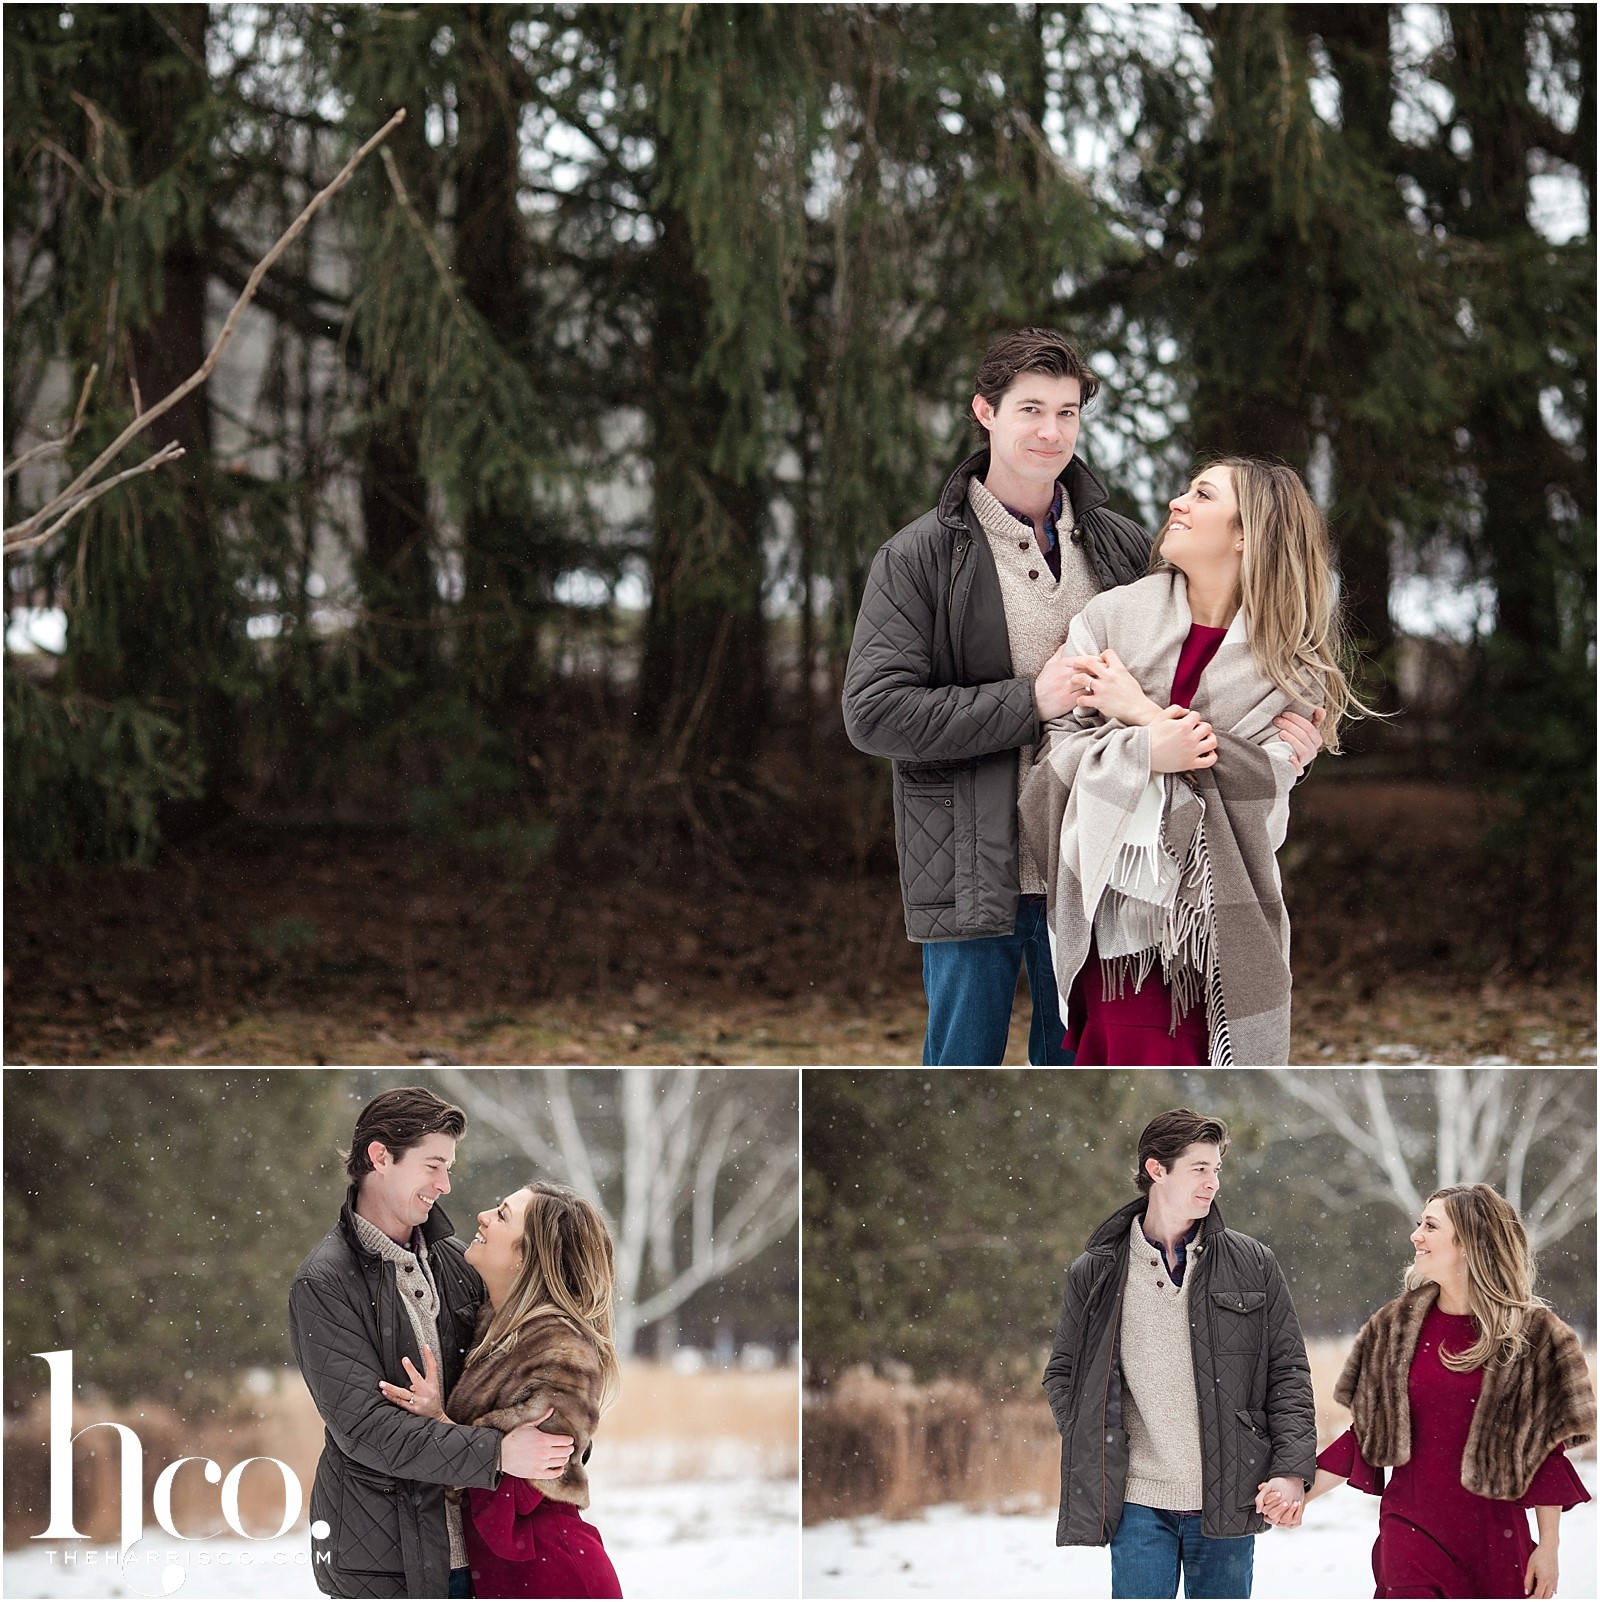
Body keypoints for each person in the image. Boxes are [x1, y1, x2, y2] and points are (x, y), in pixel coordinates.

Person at [843, 330, 1325, 1066]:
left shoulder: (1122, 545)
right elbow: (875, 712)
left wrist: (1287, 752)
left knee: (1076, 1070)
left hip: (1101, 871)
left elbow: (1210, 666)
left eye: (1067, 412)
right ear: (985, 412)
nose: (1050, 431)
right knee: (960, 1072)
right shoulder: (920, 557)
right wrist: (1026, 701)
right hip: (979, 867)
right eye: (1030, 409)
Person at [1019, 456, 1352, 1065]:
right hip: (1124, 925)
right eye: (1185, 490)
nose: (1177, 502)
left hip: (1226, 924)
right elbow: (1053, 757)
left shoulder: (1292, 663)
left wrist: (1139, 714)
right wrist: (1151, 749)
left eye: (1201, 495)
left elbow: (1265, 781)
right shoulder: (1110, 620)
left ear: (1246, 532)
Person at [289, 1087, 576, 1600]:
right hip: (386, 1566)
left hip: (480, 1554)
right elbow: (366, 1430)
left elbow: (505, 1379)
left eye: (449, 1167)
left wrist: (561, 1417)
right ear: (381, 1156)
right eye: (433, 1166)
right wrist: (498, 1453)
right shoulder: (326, 1283)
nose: (445, 1185)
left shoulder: (452, 1260)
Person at [1260, 1183, 1595, 1600]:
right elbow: (1366, 1435)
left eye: (1430, 1226)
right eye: (1420, 1223)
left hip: (1495, 1542)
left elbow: (1545, 1451)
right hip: (1409, 1536)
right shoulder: (1396, 1329)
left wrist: (1549, 1546)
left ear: (1471, 1243)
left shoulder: (1533, 1336)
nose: (1415, 1235)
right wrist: (1300, 1495)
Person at [1042, 1108, 1317, 1599]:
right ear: (1156, 1170)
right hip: (1137, 1501)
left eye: (1217, 1169)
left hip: (1230, 1494)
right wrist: (1093, 1439)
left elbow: (1289, 1373)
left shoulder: (1253, 1263)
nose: (1213, 1182)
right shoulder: (1098, 1269)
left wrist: (1291, 1470)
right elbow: (1063, 1373)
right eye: (1199, 1168)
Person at [380, 1181, 624, 1599]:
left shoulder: (561, 1351)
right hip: (508, 1576)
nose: (483, 1217)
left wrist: (440, 1423)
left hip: (553, 1574)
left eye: (503, 1215)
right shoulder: (493, 1326)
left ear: (527, 1255)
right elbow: (499, 1456)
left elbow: (521, 1485)